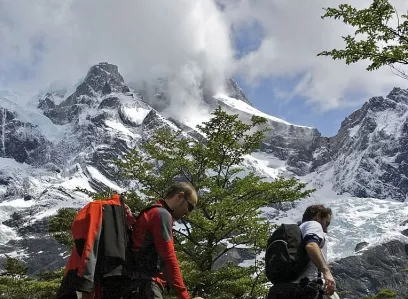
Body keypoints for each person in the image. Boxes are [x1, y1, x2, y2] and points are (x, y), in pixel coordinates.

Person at [123, 181, 201, 299]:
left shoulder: (150, 211)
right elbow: (168, 258)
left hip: (136, 286)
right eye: (189, 207)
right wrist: (184, 296)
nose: (187, 213)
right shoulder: (162, 214)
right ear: (180, 196)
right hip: (148, 286)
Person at [267, 204, 336, 299]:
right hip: (304, 288)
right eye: (326, 223)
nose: (326, 229)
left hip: (281, 289)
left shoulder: (298, 231)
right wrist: (326, 271)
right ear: (319, 216)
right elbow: (311, 245)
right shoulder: (314, 224)